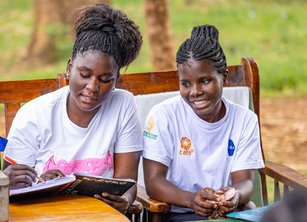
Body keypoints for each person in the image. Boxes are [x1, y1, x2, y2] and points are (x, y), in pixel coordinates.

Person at [3, 3, 142, 214]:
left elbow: (127, 183)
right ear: (69, 68)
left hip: (100, 216)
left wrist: (125, 200)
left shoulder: (123, 105)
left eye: (105, 79)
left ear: (116, 80)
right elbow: (10, 187)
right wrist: (34, 183)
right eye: (84, 75)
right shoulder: (34, 115)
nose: (92, 87)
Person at [142, 24, 264, 221]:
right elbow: (153, 181)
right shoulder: (163, 115)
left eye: (205, 81)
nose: (195, 92)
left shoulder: (244, 119)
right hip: (179, 212)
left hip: (228, 213)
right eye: (186, 83)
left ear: (224, 76)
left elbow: (244, 182)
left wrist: (234, 196)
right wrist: (191, 200)